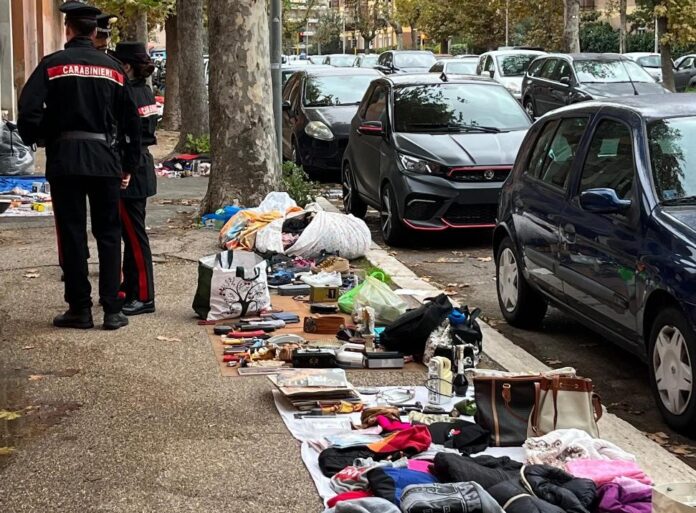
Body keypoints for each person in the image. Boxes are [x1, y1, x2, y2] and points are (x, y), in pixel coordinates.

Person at [17, 0, 141, 330]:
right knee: (109, 234)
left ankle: (80, 309)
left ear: (68, 29)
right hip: (104, 160)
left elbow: (27, 111)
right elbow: (132, 122)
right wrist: (129, 163)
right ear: (93, 31)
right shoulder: (114, 69)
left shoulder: (52, 64)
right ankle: (113, 310)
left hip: (66, 160)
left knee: (72, 234)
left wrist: (44, 137)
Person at [112, 42, 158, 316]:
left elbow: (130, 137)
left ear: (126, 66)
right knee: (131, 235)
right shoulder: (145, 91)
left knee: (134, 236)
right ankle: (130, 287)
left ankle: (143, 294)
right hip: (141, 166)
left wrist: (124, 170)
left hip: (131, 169)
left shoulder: (129, 93)